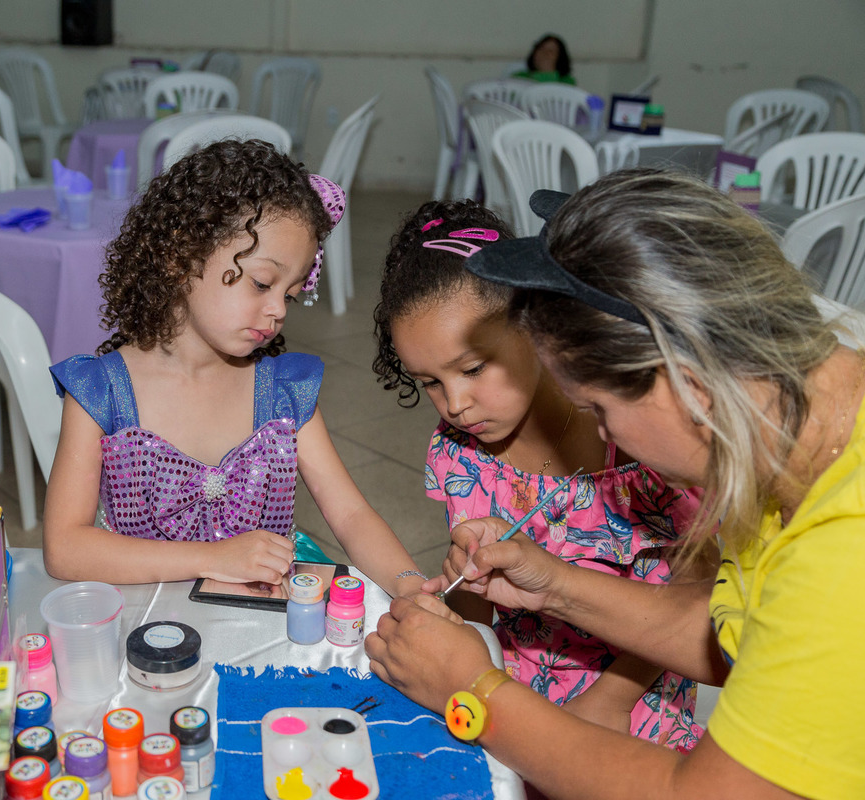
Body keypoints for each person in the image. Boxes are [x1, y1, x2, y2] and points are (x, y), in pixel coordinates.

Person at [366, 169, 865, 799]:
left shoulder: (843, 555)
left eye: (599, 410)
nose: (609, 442)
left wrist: (478, 690)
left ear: (687, 381)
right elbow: (732, 629)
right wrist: (554, 584)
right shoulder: (801, 444)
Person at [371, 198, 704, 751]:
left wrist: (609, 701)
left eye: (473, 369)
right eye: (429, 381)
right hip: (508, 680)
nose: (454, 404)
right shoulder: (461, 455)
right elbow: (482, 610)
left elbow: (695, 605)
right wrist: (455, 610)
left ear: (533, 325)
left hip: (635, 689)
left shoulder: (637, 437)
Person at [42, 139, 428, 599]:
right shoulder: (100, 392)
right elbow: (64, 548)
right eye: (262, 282)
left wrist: (410, 588)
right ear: (180, 256)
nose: (278, 311)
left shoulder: (284, 392)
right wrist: (211, 559)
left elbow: (350, 515)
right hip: (150, 621)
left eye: (289, 294)